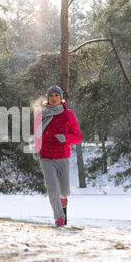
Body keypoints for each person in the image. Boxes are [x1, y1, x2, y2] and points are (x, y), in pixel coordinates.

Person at [34, 85, 82, 227]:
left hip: (62, 156)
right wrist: (36, 149)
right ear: (47, 99)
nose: (54, 98)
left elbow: (78, 137)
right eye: (51, 96)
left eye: (56, 95)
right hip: (46, 157)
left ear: (61, 98)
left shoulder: (68, 115)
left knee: (64, 191)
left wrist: (66, 138)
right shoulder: (40, 115)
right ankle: (59, 218)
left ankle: (63, 206)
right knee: (52, 189)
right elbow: (37, 136)